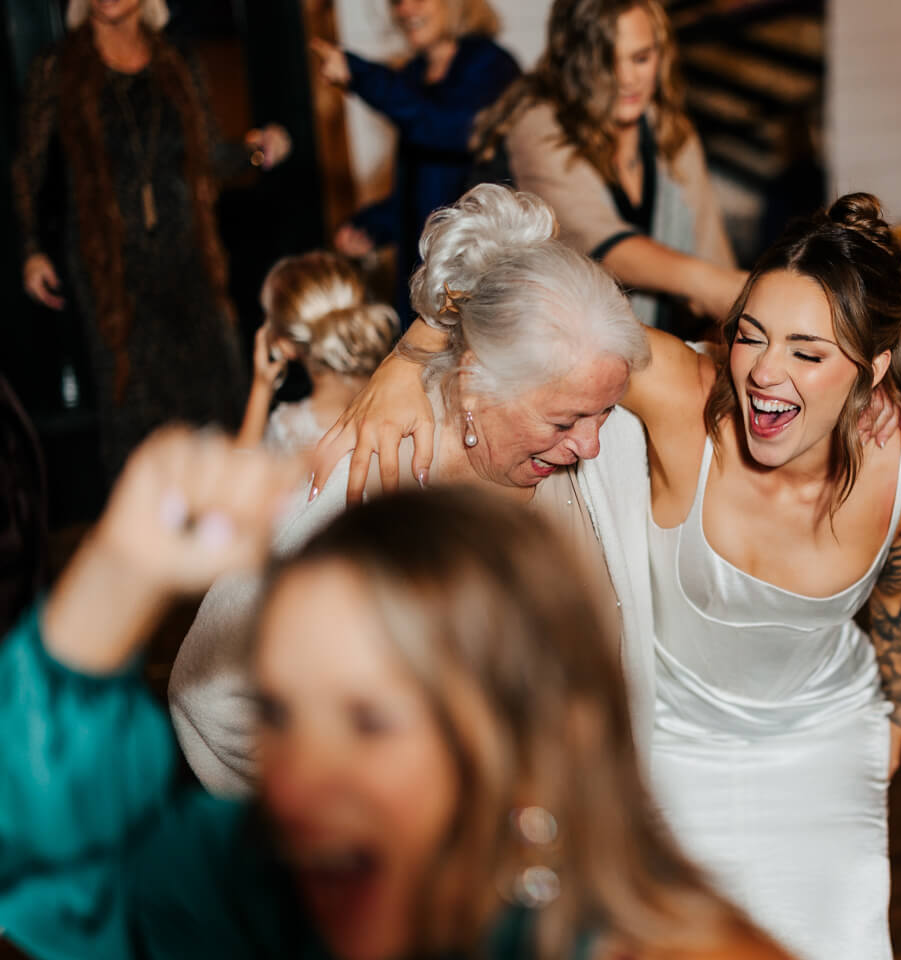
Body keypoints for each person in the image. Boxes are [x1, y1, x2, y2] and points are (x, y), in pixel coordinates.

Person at [0, 427, 901, 960]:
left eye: (373, 719)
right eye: (284, 714)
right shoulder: (301, 897)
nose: (302, 781)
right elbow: (57, 854)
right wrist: (121, 567)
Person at [309, 193, 901, 960]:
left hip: (827, 735)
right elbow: (526, 283)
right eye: (750, 331)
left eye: (807, 351)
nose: (763, 371)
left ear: (868, 373)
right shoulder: (681, 391)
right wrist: (411, 350)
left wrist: (895, 715)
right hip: (670, 735)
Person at [170, 184, 657, 797]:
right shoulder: (363, 474)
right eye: (563, 422)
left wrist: (415, 345)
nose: (589, 445)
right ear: (476, 379)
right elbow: (208, 692)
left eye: (604, 413)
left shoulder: (603, 442)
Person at [13, 0, 291, 480]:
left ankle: (231, 532)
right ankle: (151, 543)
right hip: (113, 274)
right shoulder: (57, 66)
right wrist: (31, 249)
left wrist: (257, 153)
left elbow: (207, 161)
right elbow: (26, 168)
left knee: (214, 400)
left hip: (190, 259)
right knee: (136, 412)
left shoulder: (176, 61)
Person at [470, 0, 746, 329]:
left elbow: (712, 249)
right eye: (607, 62)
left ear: (662, 54)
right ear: (571, 59)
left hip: (655, 344)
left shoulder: (672, 132)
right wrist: (707, 284)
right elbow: (597, 241)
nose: (627, 79)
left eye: (641, 58)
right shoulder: (537, 121)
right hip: (542, 340)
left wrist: (740, 305)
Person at [310, 0, 519, 323]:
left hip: (480, 279)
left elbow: (448, 129)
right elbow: (424, 193)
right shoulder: (414, 74)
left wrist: (361, 74)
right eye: (396, 1)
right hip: (427, 280)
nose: (405, 9)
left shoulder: (492, 65)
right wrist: (371, 227)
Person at [238, 251, 399, 454]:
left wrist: (261, 387)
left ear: (285, 345)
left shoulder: (288, 428)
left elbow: (239, 473)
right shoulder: (401, 393)